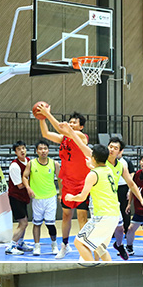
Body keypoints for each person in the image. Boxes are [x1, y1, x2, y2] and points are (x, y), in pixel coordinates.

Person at [65, 142, 143, 264]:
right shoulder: (109, 169)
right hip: (114, 215)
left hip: (103, 215)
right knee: (100, 248)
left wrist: (71, 197)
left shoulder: (93, 174)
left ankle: (91, 265)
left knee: (79, 242)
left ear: (93, 158)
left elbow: (82, 197)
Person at [35, 106, 90, 258]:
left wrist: (47, 113)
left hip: (82, 183)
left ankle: (84, 248)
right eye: (70, 122)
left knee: (82, 217)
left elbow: (62, 129)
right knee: (66, 216)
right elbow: (46, 134)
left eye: (74, 122)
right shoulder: (64, 138)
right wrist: (41, 118)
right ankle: (65, 245)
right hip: (68, 183)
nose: (71, 124)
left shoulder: (82, 137)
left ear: (81, 127)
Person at [23, 139, 59, 256]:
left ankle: (54, 245)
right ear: (37, 151)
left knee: (50, 224)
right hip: (37, 198)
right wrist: (28, 188)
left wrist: (61, 193)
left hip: (50, 197)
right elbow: (24, 176)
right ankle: (37, 246)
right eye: (40, 149)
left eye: (45, 149)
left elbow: (60, 179)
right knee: (37, 223)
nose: (43, 151)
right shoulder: (31, 163)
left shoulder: (54, 163)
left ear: (48, 150)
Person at [4, 140, 34, 254]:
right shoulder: (14, 166)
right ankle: (11, 246)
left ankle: (20, 243)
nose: (22, 151)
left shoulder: (29, 161)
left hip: (24, 197)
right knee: (23, 223)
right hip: (16, 197)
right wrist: (34, 184)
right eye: (19, 149)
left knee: (24, 222)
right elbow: (20, 185)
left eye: (23, 148)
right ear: (15, 152)